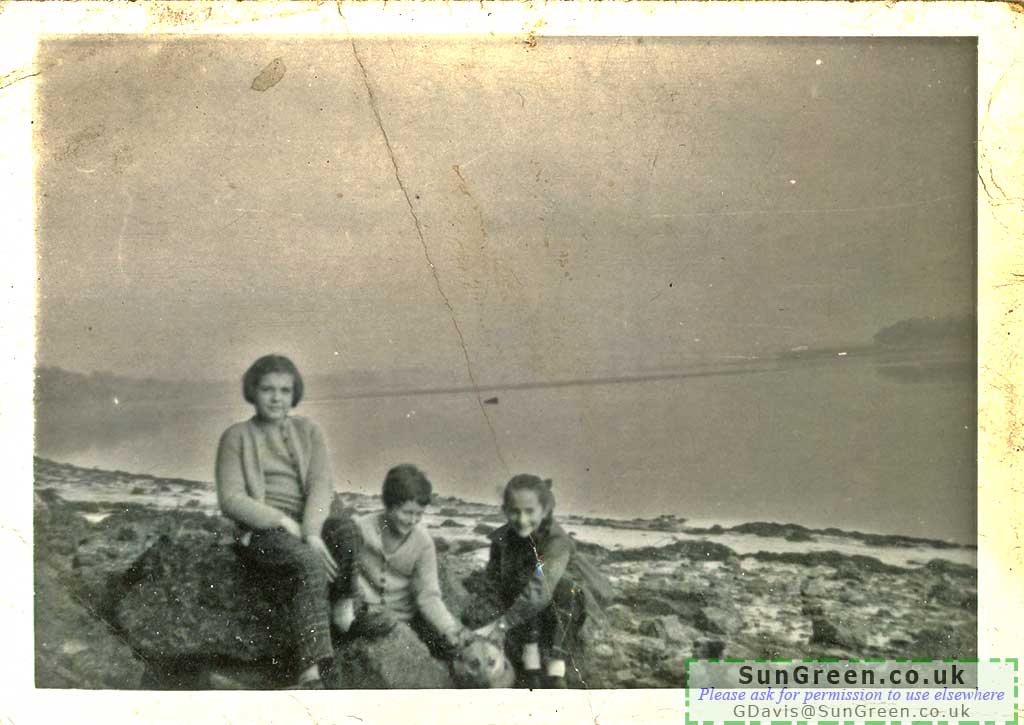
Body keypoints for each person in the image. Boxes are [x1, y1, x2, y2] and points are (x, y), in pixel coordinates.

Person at [215, 354, 361, 689]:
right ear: (253, 391)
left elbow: (321, 484)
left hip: (309, 521)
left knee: (348, 531)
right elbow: (231, 500)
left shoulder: (308, 431)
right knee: (308, 563)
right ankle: (311, 672)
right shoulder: (235, 437)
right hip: (264, 530)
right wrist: (283, 521)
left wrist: (310, 530)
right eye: (268, 389)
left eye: (284, 390)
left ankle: (343, 603)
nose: (277, 397)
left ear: (293, 394)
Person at [472, 474, 589, 689]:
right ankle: (530, 665)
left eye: (529, 511)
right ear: (505, 511)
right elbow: (492, 581)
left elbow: (541, 589)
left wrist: (502, 624)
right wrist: (481, 618)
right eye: (515, 511)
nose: (522, 519)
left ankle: (556, 671)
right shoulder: (502, 539)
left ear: (544, 511)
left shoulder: (557, 541)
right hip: (521, 614)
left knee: (565, 588)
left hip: (555, 610)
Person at [348, 464, 472, 659]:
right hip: (362, 612)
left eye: (419, 514)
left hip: (402, 620)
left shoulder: (423, 543)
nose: (413, 520)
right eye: (407, 512)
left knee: (452, 648)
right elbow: (344, 572)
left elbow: (428, 595)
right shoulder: (361, 527)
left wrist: (449, 628)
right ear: (388, 504)